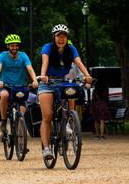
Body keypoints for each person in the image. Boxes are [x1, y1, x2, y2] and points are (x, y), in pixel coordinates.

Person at [38, 24, 93, 161]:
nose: (61, 39)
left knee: (71, 90)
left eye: (64, 36)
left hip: (62, 82)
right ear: (54, 38)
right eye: (58, 36)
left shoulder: (71, 49)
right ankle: (46, 149)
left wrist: (87, 75)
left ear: (67, 38)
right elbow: (45, 62)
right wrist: (43, 75)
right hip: (48, 83)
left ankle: (68, 121)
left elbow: (79, 62)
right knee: (48, 116)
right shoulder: (48, 48)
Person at [0, 34, 38, 135]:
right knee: (4, 95)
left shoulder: (23, 55)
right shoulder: (2, 56)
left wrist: (35, 80)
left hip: (20, 86)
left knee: (22, 111)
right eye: (12, 45)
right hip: (6, 85)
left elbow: (30, 68)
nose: (14, 48)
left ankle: (20, 138)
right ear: (8, 46)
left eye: (16, 45)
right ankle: (4, 120)